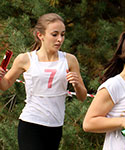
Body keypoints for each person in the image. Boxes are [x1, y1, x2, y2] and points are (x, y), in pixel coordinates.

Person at [0, 13, 87, 150]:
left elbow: (82, 97)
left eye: (62, 34)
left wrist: (76, 84)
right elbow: (5, 85)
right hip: (31, 123)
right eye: (54, 34)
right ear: (40, 35)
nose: (60, 39)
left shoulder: (70, 60)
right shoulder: (25, 59)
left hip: (55, 126)